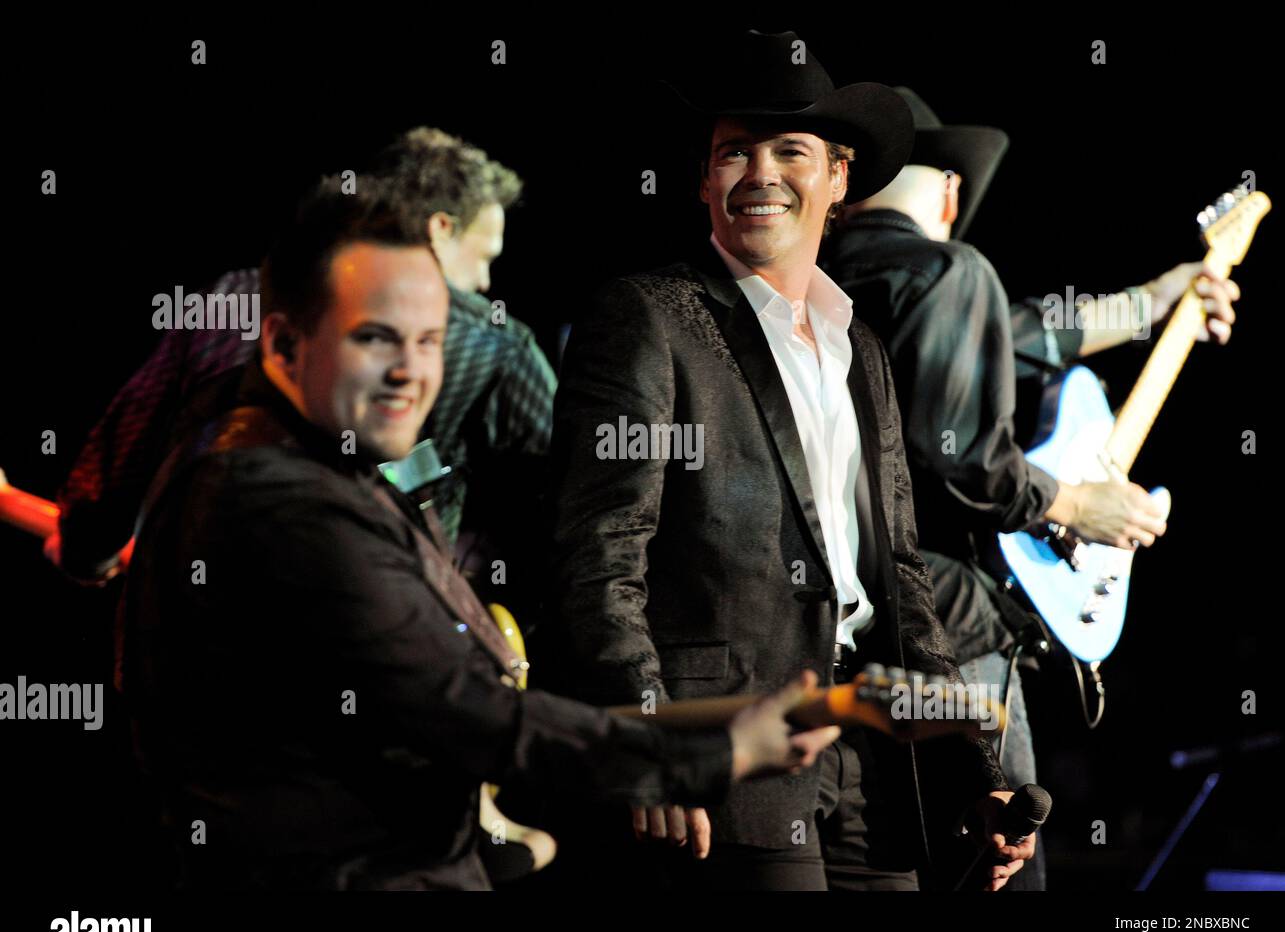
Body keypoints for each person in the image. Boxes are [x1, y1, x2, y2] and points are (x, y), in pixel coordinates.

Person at [118, 174, 838, 890]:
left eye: (429, 340)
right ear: (280, 346)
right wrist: (717, 754)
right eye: (375, 339)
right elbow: (480, 721)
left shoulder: (321, 468)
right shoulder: (282, 503)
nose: (411, 372)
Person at [546, 31, 1031, 891]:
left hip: (878, 762)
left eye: (790, 151)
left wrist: (975, 766)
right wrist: (655, 742)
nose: (760, 172)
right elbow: (602, 552)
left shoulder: (863, 348)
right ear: (703, 180)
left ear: (838, 179)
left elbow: (903, 579)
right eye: (735, 151)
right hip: (733, 761)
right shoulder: (647, 317)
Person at [823, 88, 1238, 889]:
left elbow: (1024, 333)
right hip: (951, 628)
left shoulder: (810, 283)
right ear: (949, 192)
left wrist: (1157, 303)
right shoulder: (952, 271)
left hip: (825, 644)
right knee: (998, 863)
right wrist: (1078, 506)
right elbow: (963, 459)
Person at [51, 128, 554, 591]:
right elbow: (584, 493)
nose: (487, 283)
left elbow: (121, 457)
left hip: (193, 636)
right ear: (440, 228)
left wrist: (87, 550)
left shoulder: (230, 296)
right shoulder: (496, 342)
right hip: (380, 634)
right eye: (485, 255)